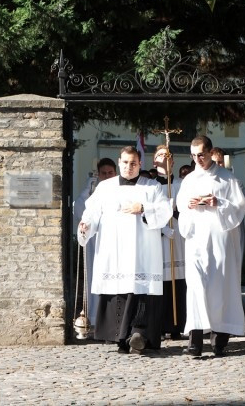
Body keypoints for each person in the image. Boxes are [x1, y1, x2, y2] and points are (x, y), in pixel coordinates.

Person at [77, 146, 173, 355]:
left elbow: (165, 211)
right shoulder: (105, 187)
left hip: (142, 254)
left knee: (141, 292)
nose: (129, 167)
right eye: (125, 163)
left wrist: (144, 209)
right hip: (115, 252)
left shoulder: (152, 187)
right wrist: (86, 225)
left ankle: (139, 335)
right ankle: (121, 338)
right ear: (119, 162)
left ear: (140, 164)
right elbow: (92, 212)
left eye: (133, 163)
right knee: (118, 291)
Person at [177, 135, 245, 357]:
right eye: (193, 155)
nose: (197, 159)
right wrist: (190, 205)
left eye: (201, 155)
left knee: (220, 287)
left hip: (220, 239)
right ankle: (195, 341)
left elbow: (239, 207)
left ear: (210, 152)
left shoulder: (227, 179)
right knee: (196, 287)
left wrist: (219, 203)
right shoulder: (189, 180)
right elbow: (181, 206)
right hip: (196, 239)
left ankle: (219, 340)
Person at [73, 157, 117, 328]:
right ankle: (95, 315)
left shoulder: (121, 189)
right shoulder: (93, 191)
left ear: (115, 173)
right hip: (96, 243)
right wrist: (87, 189)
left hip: (116, 242)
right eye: (103, 173)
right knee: (96, 278)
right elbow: (79, 210)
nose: (107, 176)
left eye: (110, 173)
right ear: (98, 174)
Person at [152, 144, 187, 340]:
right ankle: (159, 325)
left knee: (178, 280)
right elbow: (146, 213)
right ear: (154, 161)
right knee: (160, 281)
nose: (165, 158)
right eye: (160, 155)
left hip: (179, 236)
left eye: (168, 156)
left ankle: (176, 325)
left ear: (173, 161)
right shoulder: (151, 186)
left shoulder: (182, 185)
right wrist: (162, 228)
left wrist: (177, 213)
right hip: (158, 238)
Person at [210, 146, 245, 266]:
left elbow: (244, 203)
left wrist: (222, 203)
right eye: (214, 162)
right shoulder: (207, 181)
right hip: (213, 225)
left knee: (232, 261)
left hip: (233, 225)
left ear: (225, 162)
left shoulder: (235, 181)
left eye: (220, 162)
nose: (218, 165)